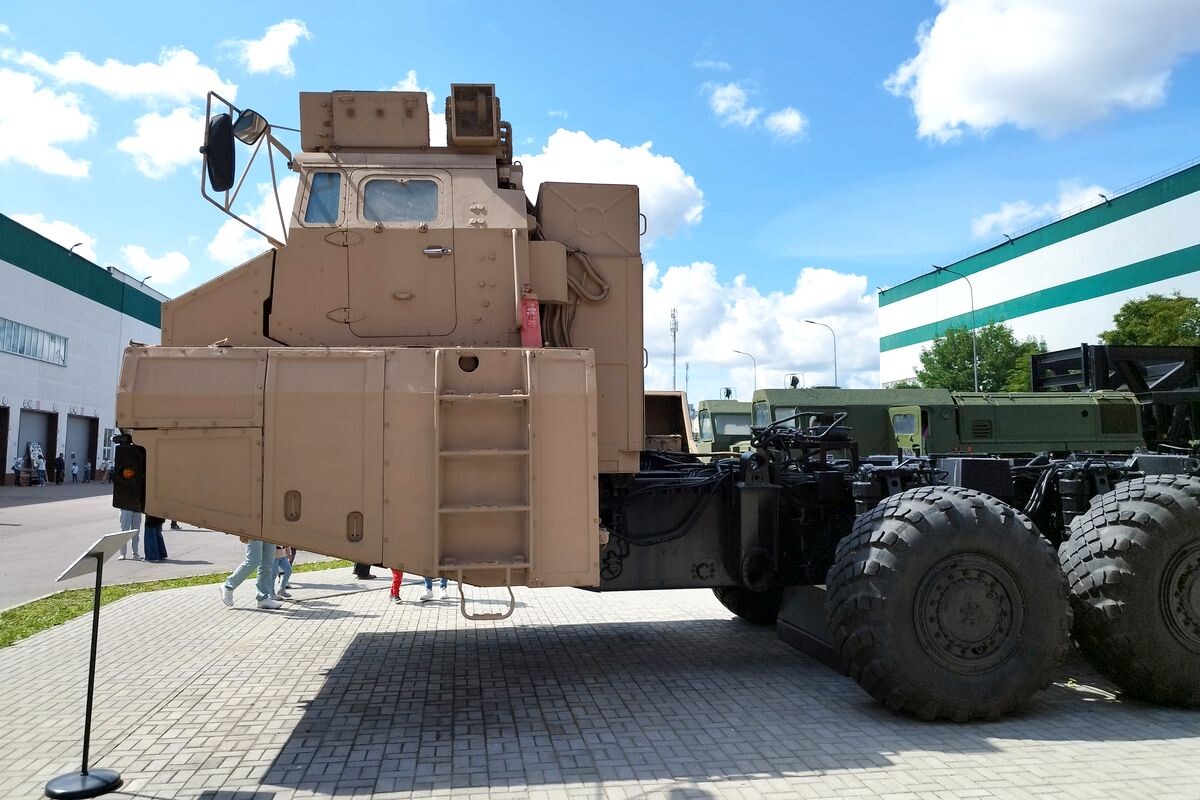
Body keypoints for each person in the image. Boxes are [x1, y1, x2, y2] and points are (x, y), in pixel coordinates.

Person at [219, 538, 281, 610]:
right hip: (254, 530)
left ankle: (263, 598)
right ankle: (228, 586)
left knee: (267, 564)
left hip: (270, 530)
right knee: (253, 561)